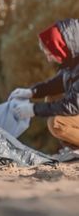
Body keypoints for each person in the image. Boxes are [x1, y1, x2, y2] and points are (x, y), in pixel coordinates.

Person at [10, 19, 79, 152]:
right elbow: (57, 83)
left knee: (56, 123)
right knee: (52, 96)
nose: (48, 59)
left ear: (61, 46)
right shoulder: (72, 61)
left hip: (76, 105)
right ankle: (75, 148)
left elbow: (73, 105)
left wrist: (33, 109)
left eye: (50, 54)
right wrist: (31, 92)